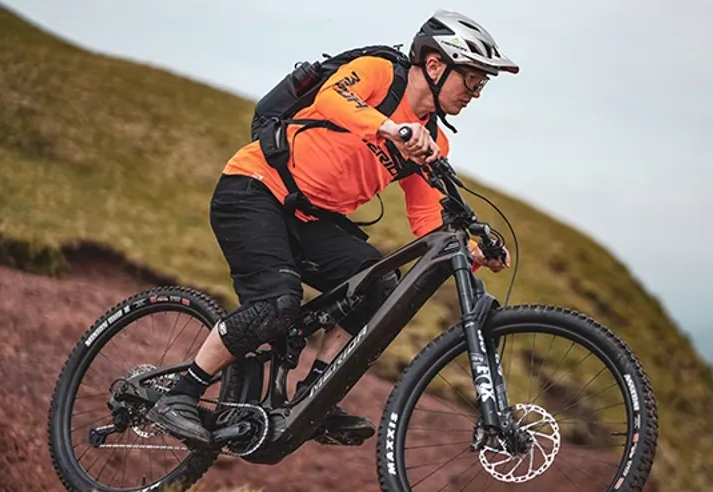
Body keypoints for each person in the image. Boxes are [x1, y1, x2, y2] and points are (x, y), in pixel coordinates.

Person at [146, 9, 519, 445]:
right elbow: (332, 99)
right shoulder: (381, 73)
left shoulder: (432, 140)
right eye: (471, 78)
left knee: (380, 285)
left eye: (482, 84)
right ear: (435, 65)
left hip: (313, 217)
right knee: (275, 303)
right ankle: (179, 394)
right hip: (255, 189)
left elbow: (427, 220)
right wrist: (390, 128)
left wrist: (469, 256)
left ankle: (316, 396)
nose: (475, 92)